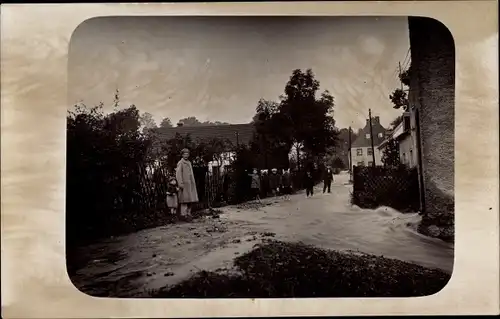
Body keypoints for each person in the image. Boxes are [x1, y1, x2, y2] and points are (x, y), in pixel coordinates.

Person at [176, 148, 199, 221]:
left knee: (190, 200)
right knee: (184, 201)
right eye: (184, 154)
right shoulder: (180, 163)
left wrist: (192, 182)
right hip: (184, 185)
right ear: (182, 155)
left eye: (187, 154)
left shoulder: (189, 162)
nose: (186, 155)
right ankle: (183, 215)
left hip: (190, 184)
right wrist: (180, 183)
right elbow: (178, 174)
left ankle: (189, 213)